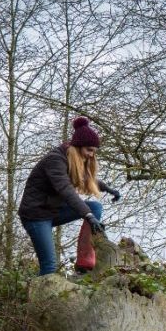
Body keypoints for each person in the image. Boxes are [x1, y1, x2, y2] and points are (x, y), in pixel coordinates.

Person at [18, 117, 122, 276]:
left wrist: (108, 189)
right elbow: (65, 189)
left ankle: (85, 261)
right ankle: (39, 299)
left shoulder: (74, 159)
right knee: (50, 268)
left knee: (96, 207)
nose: (91, 155)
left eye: (94, 151)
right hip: (36, 216)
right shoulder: (55, 160)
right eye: (89, 150)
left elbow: (86, 179)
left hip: (53, 211)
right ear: (78, 147)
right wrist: (88, 216)